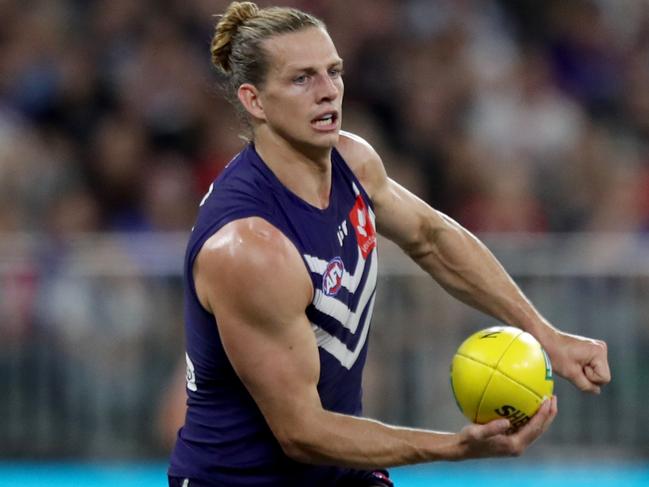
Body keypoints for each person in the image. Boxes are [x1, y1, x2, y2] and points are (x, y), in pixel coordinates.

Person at [167, 2, 611, 486]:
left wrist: (547, 334)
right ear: (254, 101)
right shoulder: (250, 247)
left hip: (337, 470)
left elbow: (432, 238)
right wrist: (454, 447)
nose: (328, 91)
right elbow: (301, 431)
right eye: (302, 79)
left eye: (333, 72)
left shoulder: (352, 163)